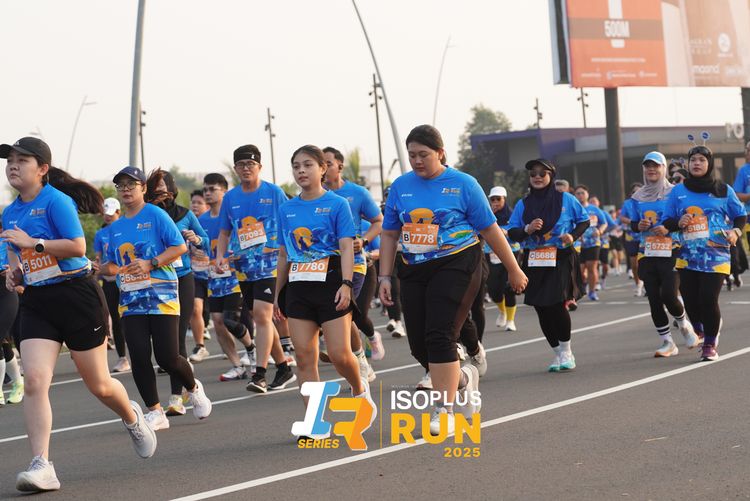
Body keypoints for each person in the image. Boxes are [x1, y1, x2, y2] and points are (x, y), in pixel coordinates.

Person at [0, 138, 156, 492]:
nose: (12, 166)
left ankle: (132, 417)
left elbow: (77, 246)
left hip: (76, 295)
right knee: (35, 380)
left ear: (42, 169)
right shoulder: (10, 212)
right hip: (37, 301)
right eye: (9, 161)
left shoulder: (56, 201)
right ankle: (42, 464)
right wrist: (15, 273)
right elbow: (14, 252)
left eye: (22, 160)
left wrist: (34, 244)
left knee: (99, 384)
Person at [378, 125, 527, 434]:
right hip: (414, 266)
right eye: (412, 155)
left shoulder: (464, 184)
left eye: (423, 155)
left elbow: (489, 229)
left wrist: (514, 268)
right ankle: (463, 377)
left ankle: (443, 409)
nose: (417, 161)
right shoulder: (401, 186)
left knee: (440, 335)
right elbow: (390, 234)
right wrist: (385, 277)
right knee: (419, 345)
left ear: (441, 153)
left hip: (457, 263)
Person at [274, 145, 375, 438]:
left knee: (340, 354)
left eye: (307, 165)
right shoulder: (287, 209)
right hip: (298, 286)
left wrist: (346, 284)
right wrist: (278, 294)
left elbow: (346, 246)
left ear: (322, 168)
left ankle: (359, 391)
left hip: (332, 282)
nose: (301, 171)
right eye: (296, 166)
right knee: (305, 356)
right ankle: (314, 422)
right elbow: (284, 253)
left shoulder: (337, 204)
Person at [102, 166, 212, 430]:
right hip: (131, 299)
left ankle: (193, 388)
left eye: (131, 184)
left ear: (143, 188)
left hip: (161, 295)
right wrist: (98, 268)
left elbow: (180, 247)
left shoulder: (155, 214)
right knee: (139, 356)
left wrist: (151, 263)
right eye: (121, 186)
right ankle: (155, 411)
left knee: (167, 357)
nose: (126, 190)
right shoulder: (116, 228)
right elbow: (115, 264)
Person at [216, 145, 291, 393]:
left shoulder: (274, 192)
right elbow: (224, 231)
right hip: (243, 267)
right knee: (262, 318)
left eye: (250, 164)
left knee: (261, 316)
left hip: (270, 265)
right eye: (241, 165)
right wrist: (220, 256)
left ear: (259, 166)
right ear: (235, 169)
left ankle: (259, 375)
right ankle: (284, 367)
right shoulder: (231, 198)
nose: (246, 168)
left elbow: (289, 222)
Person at [661, 145, 746, 361]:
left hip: (716, 254)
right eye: (693, 160)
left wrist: (736, 232)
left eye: (701, 160)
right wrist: (678, 222)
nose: (697, 163)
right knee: (691, 300)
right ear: (688, 164)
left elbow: (740, 216)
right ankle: (701, 328)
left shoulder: (723, 189)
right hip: (687, 255)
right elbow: (666, 220)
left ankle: (709, 344)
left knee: (708, 298)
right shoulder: (678, 191)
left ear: (709, 164)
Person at [508, 159, 589, 372]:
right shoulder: (523, 204)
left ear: (551, 176)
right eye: (533, 173)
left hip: (560, 257)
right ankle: (557, 352)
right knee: (541, 307)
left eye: (542, 173)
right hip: (534, 259)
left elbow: (584, 221)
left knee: (556, 303)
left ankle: (567, 351)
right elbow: (512, 232)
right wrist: (527, 229)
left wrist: (572, 236)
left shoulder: (566, 199)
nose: (537, 177)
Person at [145, 168, 210, 412]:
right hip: (156, 281)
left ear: (172, 190)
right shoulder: (146, 216)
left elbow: (206, 242)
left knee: (177, 336)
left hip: (182, 279)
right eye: (156, 191)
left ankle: (176, 397)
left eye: (164, 190)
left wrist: (196, 239)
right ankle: (187, 385)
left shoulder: (185, 214)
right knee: (158, 342)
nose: (161, 195)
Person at [624, 152, 699, 357]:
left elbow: (685, 218)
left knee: (668, 294)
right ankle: (667, 342)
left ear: (664, 168)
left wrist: (668, 227)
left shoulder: (676, 192)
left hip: (672, 249)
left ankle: (684, 325)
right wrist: (639, 225)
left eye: (656, 166)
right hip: (647, 252)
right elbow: (633, 223)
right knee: (654, 299)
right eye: (647, 166)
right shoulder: (637, 197)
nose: (651, 169)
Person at [323, 146, 384, 372]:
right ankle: (354, 356)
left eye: (328, 163)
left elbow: (379, 221)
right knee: (337, 314)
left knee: (346, 312)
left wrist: (364, 240)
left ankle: (361, 359)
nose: (324, 168)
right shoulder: (314, 196)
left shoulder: (357, 193)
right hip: (323, 266)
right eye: (321, 164)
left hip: (354, 262)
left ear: (340, 165)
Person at [93, 197, 129, 373]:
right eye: (105, 214)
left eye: (110, 213)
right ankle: (123, 358)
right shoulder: (100, 234)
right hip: (109, 281)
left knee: (131, 317)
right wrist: (96, 273)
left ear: (118, 212)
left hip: (128, 278)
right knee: (116, 318)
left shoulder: (126, 228)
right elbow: (99, 258)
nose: (107, 217)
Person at [486, 186, 520, 331]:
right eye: (492, 199)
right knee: (493, 289)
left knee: (508, 287)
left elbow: (518, 233)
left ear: (504, 199)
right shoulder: (486, 213)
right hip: (491, 254)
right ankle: (502, 311)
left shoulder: (512, 215)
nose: (495, 202)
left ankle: (511, 320)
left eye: (498, 199)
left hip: (511, 253)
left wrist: (507, 233)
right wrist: (489, 216)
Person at [574, 185, 609, 300]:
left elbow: (604, 223)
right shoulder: (573, 208)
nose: (580, 195)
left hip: (593, 243)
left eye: (582, 193)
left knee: (591, 267)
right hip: (577, 244)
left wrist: (600, 231)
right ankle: (583, 284)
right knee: (580, 270)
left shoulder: (594, 209)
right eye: (578, 193)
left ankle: (592, 291)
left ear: (587, 194)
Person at [188, 188, 212, 357]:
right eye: (193, 202)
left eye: (199, 203)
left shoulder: (215, 222)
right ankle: (200, 346)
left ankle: (247, 346)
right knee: (195, 309)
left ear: (207, 206)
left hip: (215, 275)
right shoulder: (187, 224)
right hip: (195, 275)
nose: (195, 205)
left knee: (222, 318)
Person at [620, 183, 645, 296]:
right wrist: (633, 222)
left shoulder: (648, 201)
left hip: (645, 238)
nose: (637, 193)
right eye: (634, 191)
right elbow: (622, 217)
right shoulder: (627, 203)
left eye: (639, 191)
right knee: (634, 265)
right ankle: (638, 285)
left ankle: (647, 285)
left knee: (645, 263)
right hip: (631, 237)